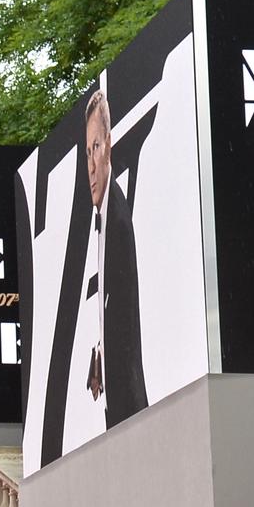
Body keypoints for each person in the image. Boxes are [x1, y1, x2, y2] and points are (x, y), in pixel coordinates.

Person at [83, 88, 147, 427]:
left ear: (108, 145)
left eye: (96, 147)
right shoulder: (106, 216)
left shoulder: (118, 219)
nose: (91, 166)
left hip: (127, 405)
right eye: (87, 152)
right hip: (119, 404)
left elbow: (124, 327)